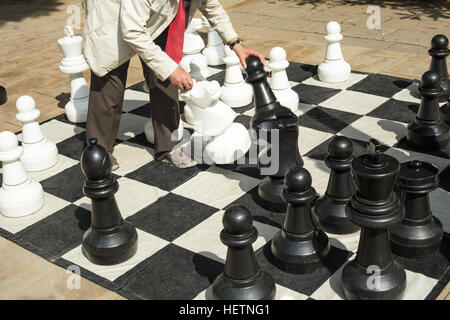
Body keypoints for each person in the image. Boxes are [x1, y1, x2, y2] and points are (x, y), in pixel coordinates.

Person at [82, 0, 265, 170]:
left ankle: (167, 146)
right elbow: (132, 31)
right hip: (110, 15)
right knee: (109, 84)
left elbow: (212, 6)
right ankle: (98, 150)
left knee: (165, 73)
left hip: (157, 16)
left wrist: (236, 44)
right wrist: (171, 69)